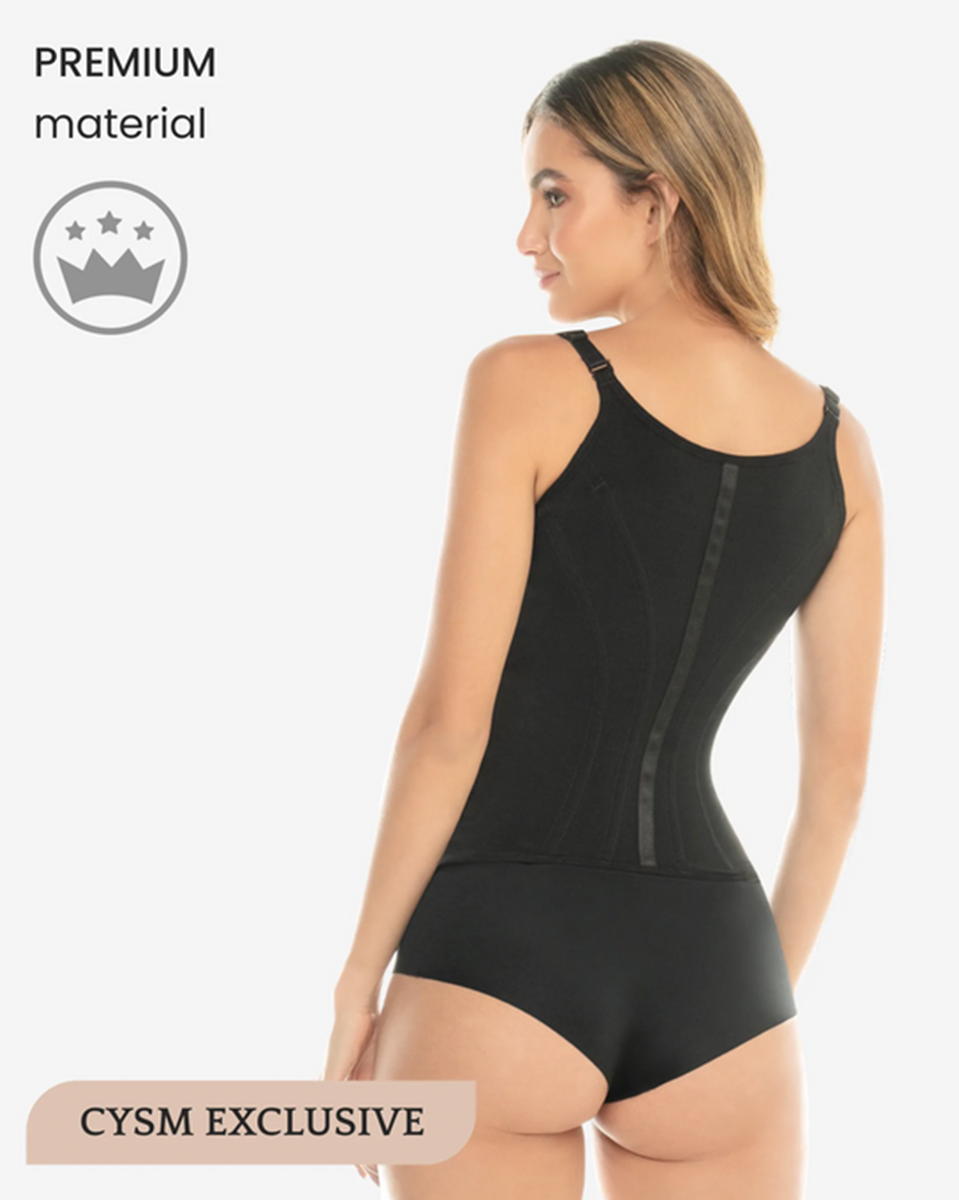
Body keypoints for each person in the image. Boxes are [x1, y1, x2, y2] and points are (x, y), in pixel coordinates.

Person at [322, 39, 884, 1199]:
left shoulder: (525, 381)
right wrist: (741, 1009)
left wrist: (354, 987)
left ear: (657, 199)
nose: (526, 236)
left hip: (497, 957)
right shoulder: (841, 449)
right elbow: (836, 788)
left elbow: (448, 726)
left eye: (552, 194)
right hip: (722, 986)